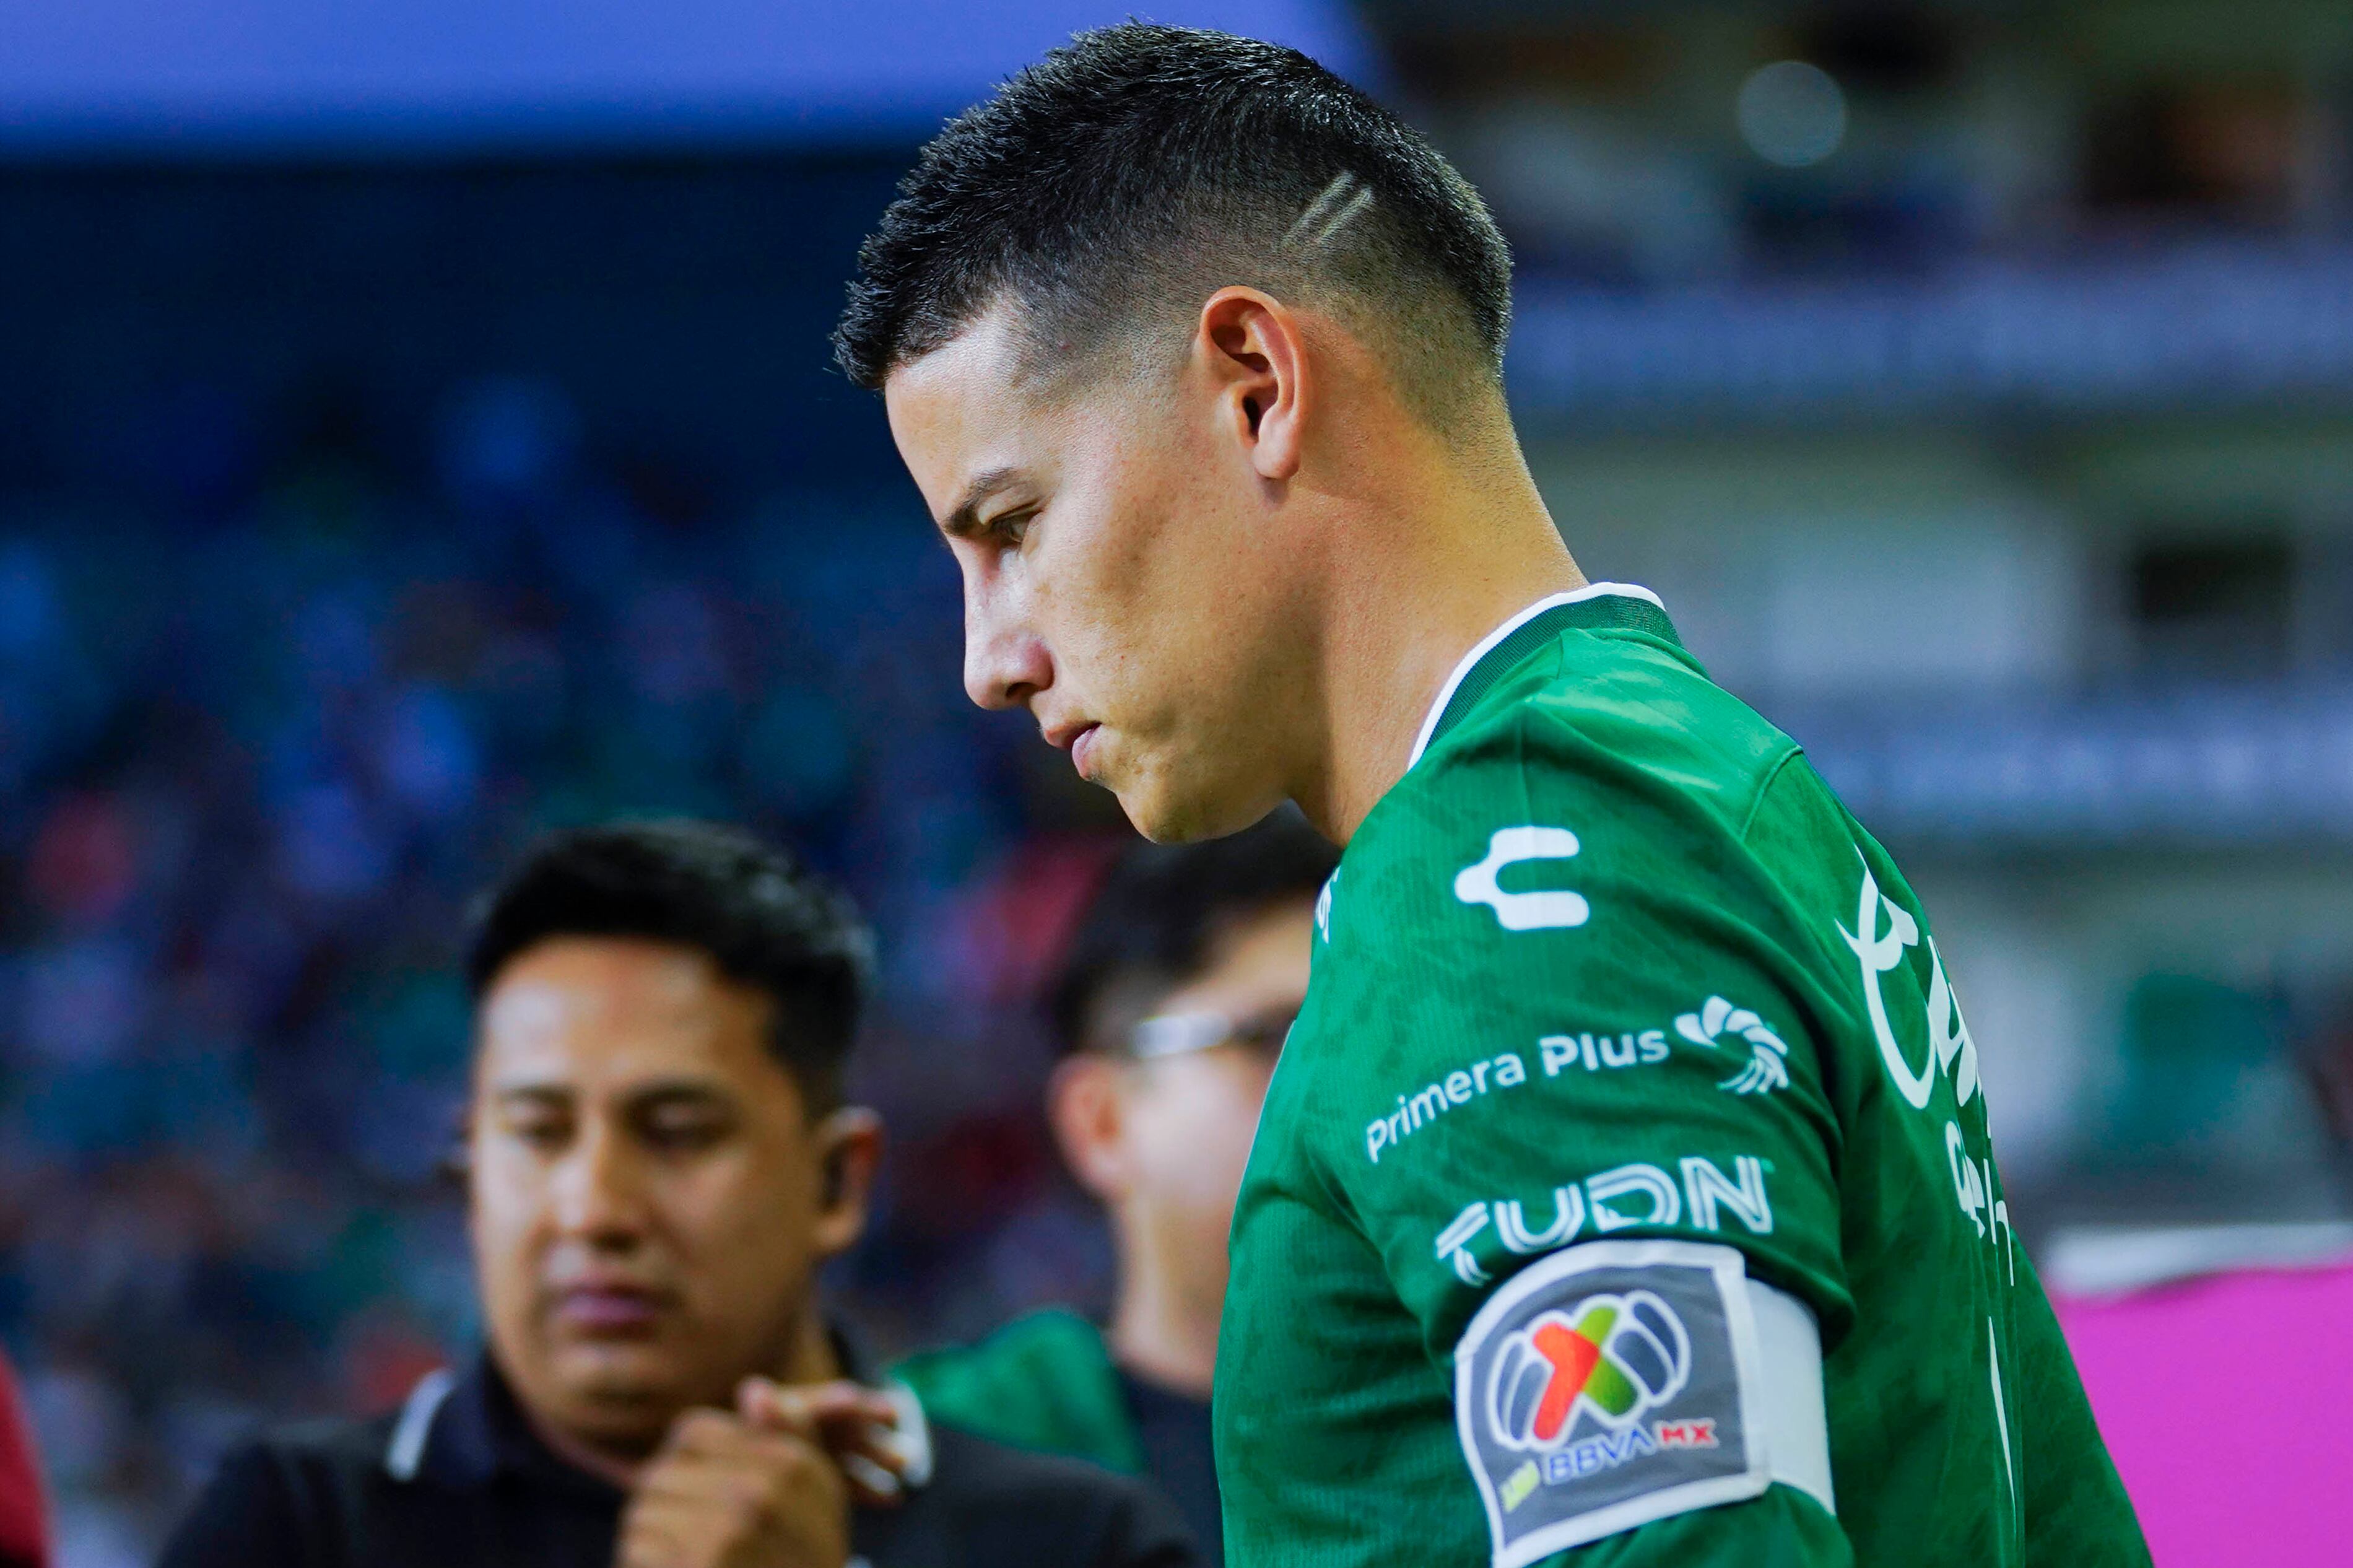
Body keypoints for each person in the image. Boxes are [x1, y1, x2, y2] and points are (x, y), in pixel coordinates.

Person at [834, 23, 2149, 1568]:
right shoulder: (1702, 781)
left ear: (1255, 385)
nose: (988, 659)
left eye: (1011, 525)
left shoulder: (1518, 873)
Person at [161, 821, 1197, 1568]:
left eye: (677, 1133)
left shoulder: (1080, 1542)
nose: (594, 1209)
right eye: (537, 1133)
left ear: (838, 1181)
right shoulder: (293, 1525)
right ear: (469, 1170)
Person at [895, 813, 1337, 1561]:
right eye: (1274, 1040)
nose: (1350, 1086)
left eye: (1368, 1034)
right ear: (1099, 1122)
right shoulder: (918, 1461)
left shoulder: (1516, 1400)